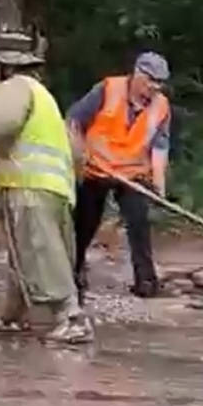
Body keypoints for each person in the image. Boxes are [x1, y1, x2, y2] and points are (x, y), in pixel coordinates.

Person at [0, 31, 93, 343]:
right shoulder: (42, 94)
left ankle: (72, 317)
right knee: (23, 253)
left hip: (30, 186)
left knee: (42, 252)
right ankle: (13, 315)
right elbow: (76, 150)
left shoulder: (14, 89)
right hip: (53, 188)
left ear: (2, 67)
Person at [67, 52, 171, 299]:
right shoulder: (107, 89)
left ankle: (145, 280)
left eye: (160, 82)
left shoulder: (161, 106)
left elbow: (160, 147)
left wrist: (158, 184)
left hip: (132, 173)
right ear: (136, 74)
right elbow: (74, 121)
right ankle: (74, 271)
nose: (155, 87)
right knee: (84, 223)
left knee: (139, 221)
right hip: (96, 167)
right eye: (151, 80)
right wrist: (79, 155)